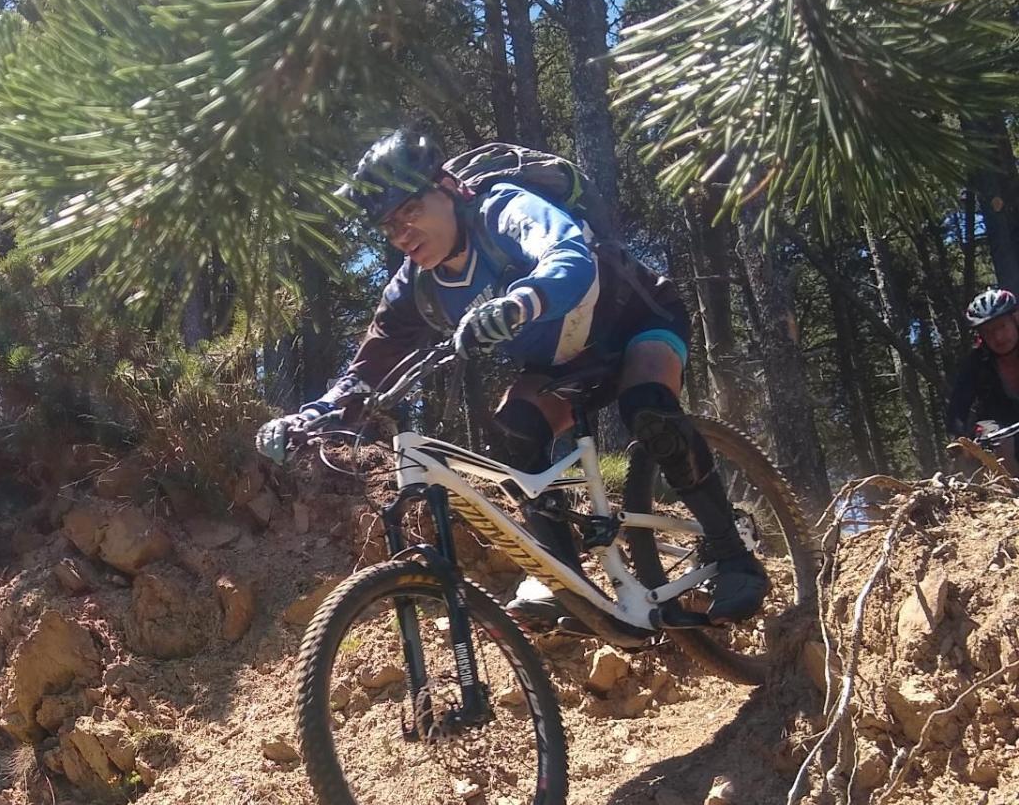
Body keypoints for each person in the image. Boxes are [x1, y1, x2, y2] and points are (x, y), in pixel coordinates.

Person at [257, 130, 769, 626]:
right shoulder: (416, 287)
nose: (402, 234)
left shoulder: (502, 209)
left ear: (449, 189)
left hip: (638, 319)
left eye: (410, 211)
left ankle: (732, 553)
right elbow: (366, 370)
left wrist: (523, 300)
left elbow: (567, 255)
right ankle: (563, 579)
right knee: (514, 433)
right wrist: (310, 418)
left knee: (650, 412)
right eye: (390, 227)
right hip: (563, 364)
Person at [948, 288, 1019, 473]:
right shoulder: (976, 364)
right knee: (999, 444)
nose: (998, 337)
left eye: (1002, 326)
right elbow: (957, 410)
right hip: (1005, 429)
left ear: (1016, 319)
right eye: (988, 332)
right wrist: (962, 440)